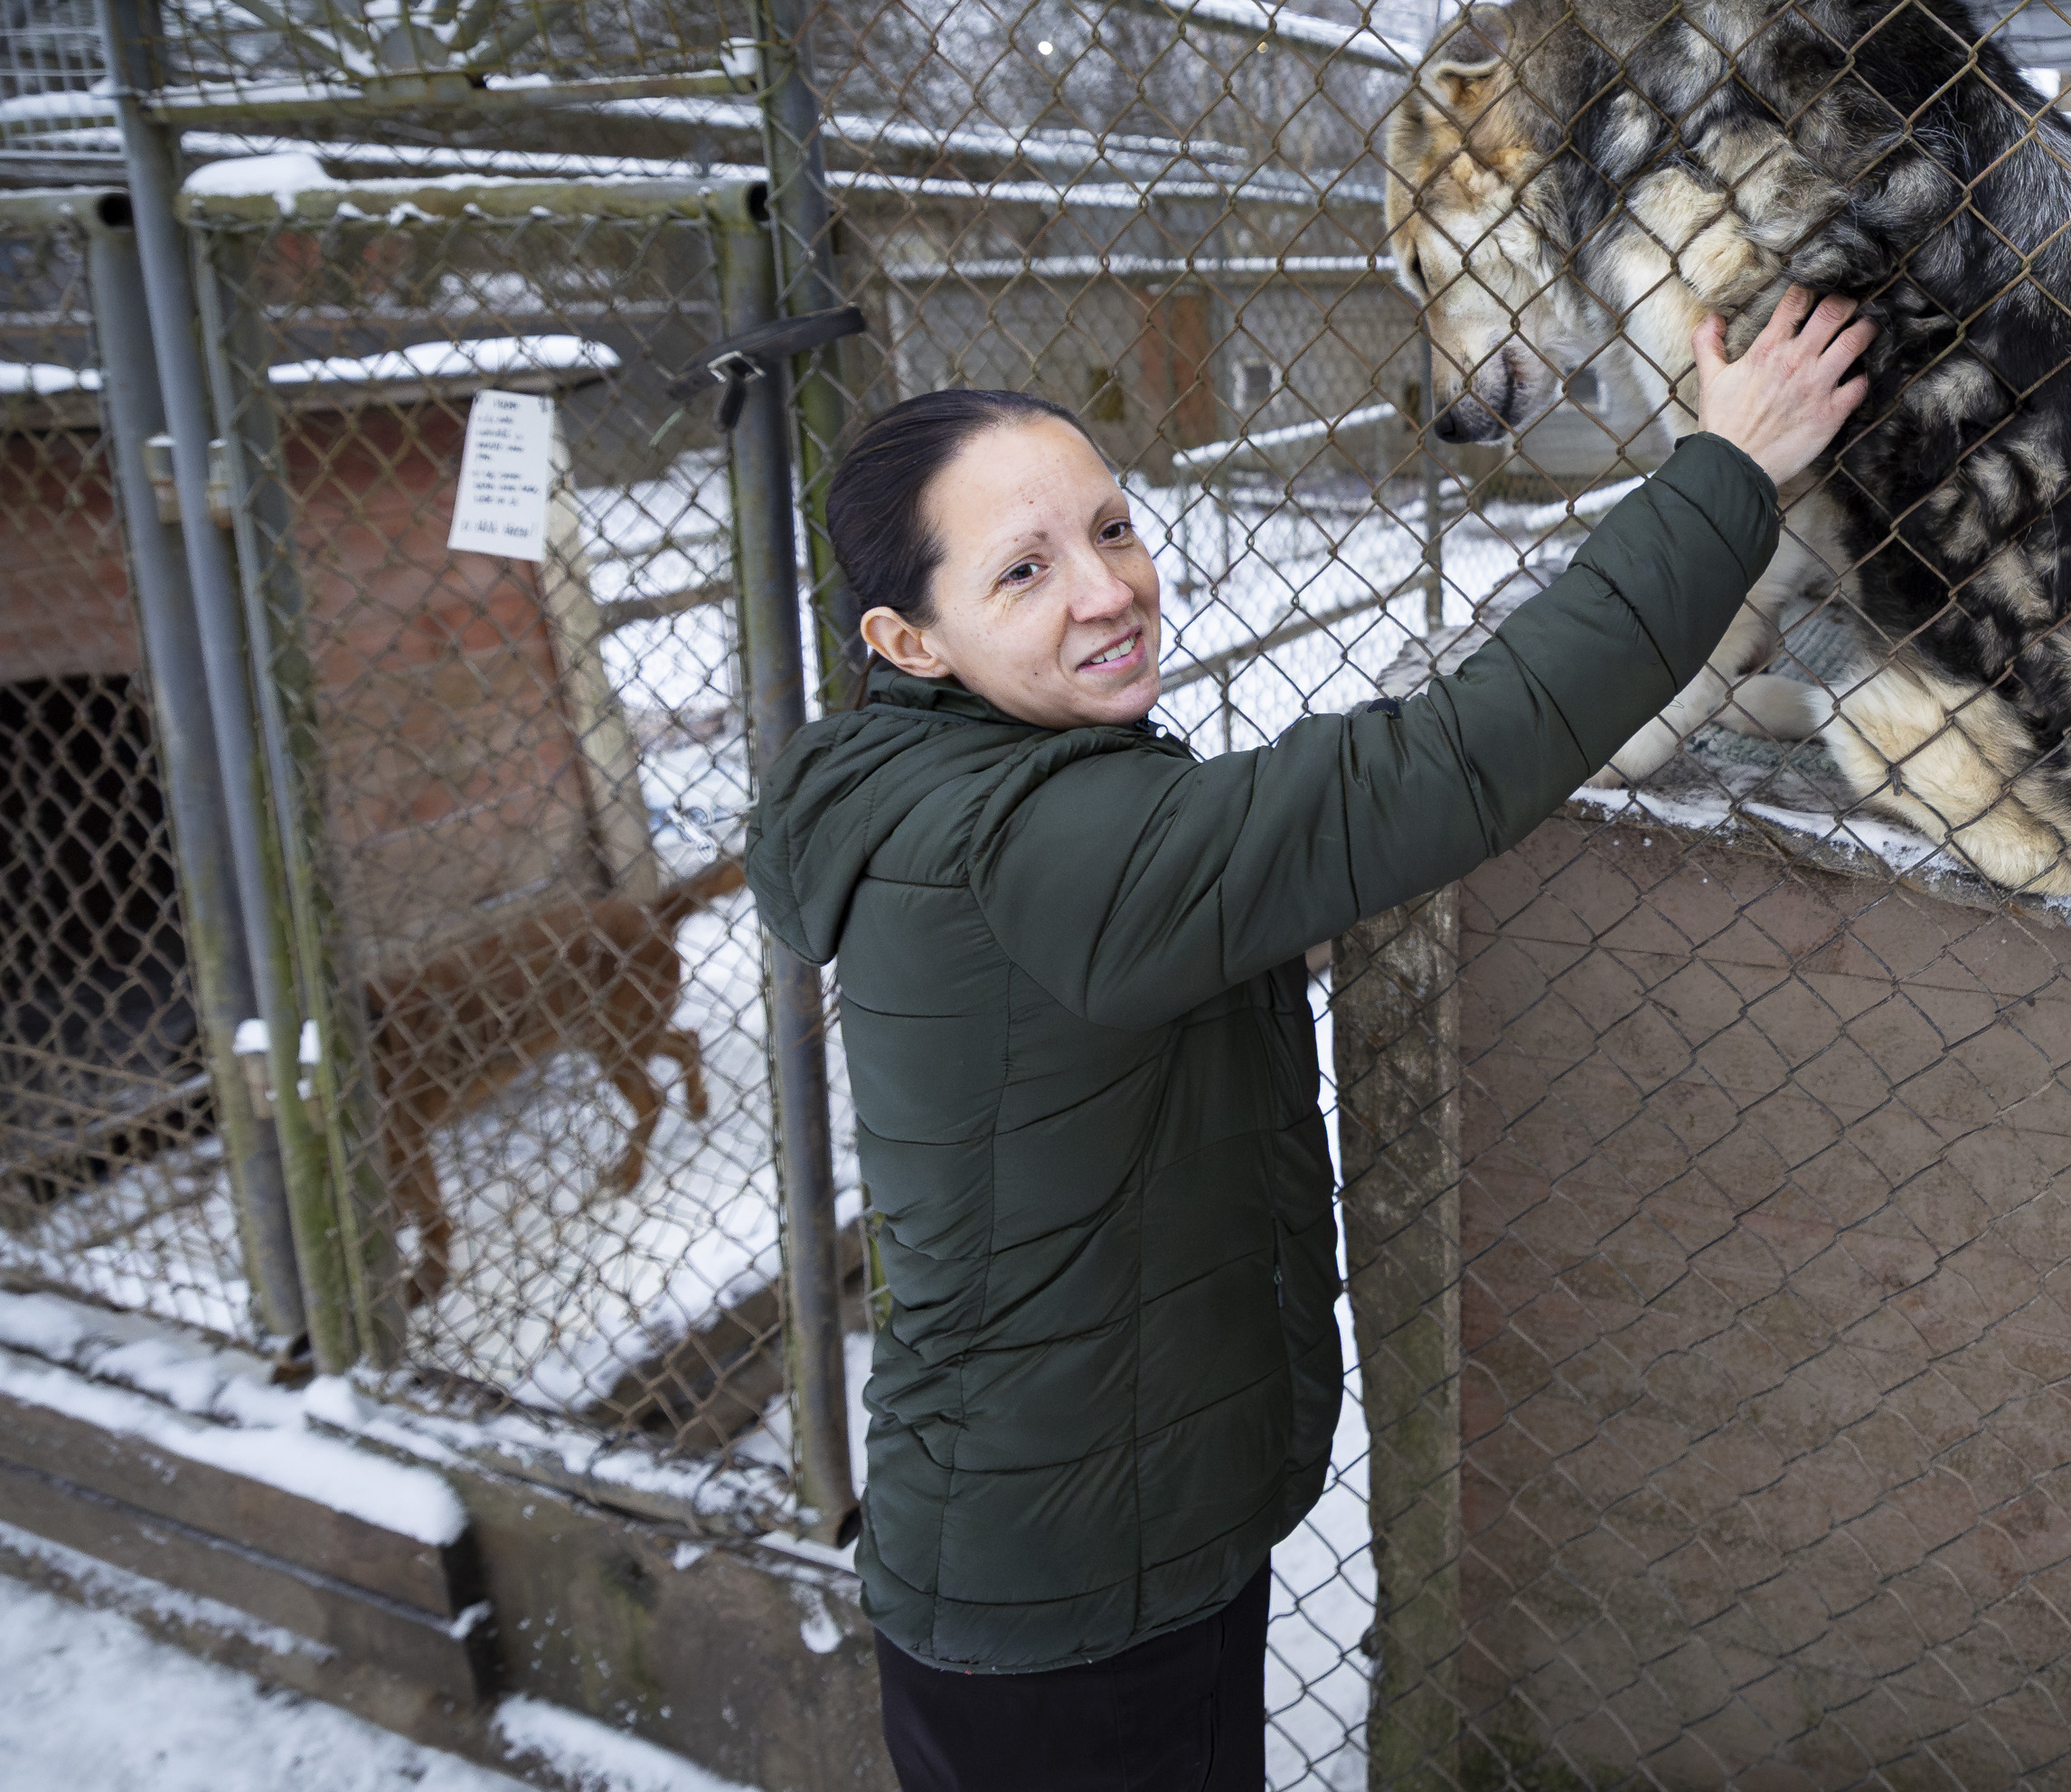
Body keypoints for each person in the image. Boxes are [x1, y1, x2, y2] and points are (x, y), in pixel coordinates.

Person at [747, 291, 1874, 1792]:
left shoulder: (929, 783)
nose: (1107, 592)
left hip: (1079, 1529)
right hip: (1075, 1592)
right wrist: (1723, 474)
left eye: (1114, 528)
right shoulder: (1041, 846)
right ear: (911, 638)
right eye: (1024, 570)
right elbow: (1446, 760)